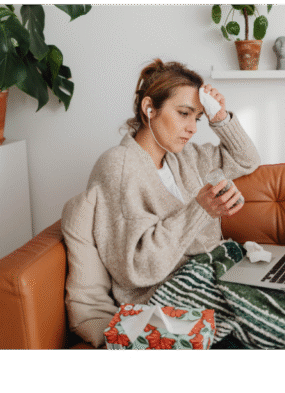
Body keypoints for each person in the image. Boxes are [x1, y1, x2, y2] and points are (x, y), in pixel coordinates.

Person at [60, 59, 261, 347]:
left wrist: (220, 118)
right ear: (149, 109)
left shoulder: (186, 157)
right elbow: (138, 266)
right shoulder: (119, 166)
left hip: (216, 275)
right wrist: (199, 210)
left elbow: (247, 159)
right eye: (183, 114)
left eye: (198, 118)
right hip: (170, 300)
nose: (192, 128)